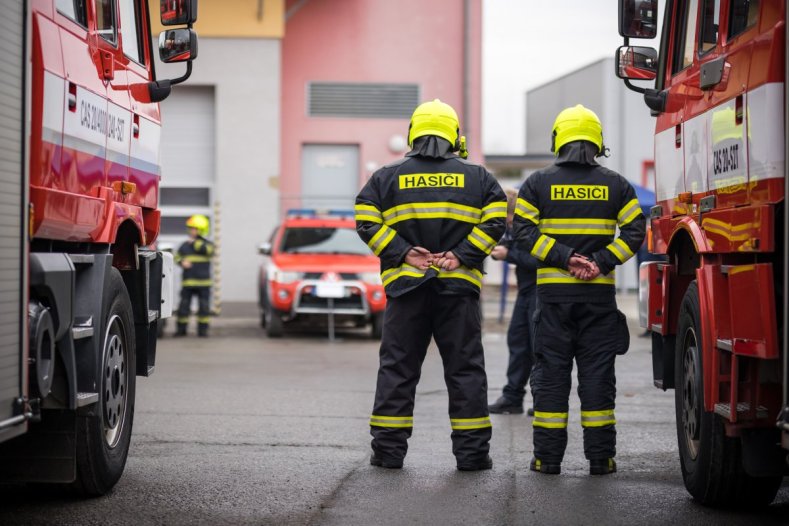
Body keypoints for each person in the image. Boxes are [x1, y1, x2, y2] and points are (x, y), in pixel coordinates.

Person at [355, 99, 507, 471]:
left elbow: (364, 218)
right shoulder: (480, 177)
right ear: (454, 135)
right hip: (458, 290)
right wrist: (462, 255)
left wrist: (404, 253)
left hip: (406, 290)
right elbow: (498, 218)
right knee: (466, 370)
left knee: (397, 370)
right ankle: (472, 456)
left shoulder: (385, 177)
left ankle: (388, 453)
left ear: (413, 133)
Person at [513, 104, 645, 476]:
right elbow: (635, 232)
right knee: (598, 380)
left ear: (559, 139)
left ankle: (547, 460)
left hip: (553, 304)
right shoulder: (616, 183)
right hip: (598, 302)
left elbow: (524, 233)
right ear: (597, 141)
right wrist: (601, 261)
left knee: (551, 379)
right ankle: (601, 460)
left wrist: (564, 258)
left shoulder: (537, 183)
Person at [488, 188, 538, 416]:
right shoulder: (515, 228)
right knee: (518, 342)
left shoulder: (533, 226)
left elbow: (537, 259)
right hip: (526, 292)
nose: (507, 225)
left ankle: (543, 400)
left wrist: (507, 255)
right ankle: (512, 398)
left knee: (539, 346)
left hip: (541, 291)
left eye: (507, 220)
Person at [175, 214, 215, 337]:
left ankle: (202, 331)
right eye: (191, 228)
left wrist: (195, 242)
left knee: (203, 308)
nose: (191, 231)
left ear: (201, 230)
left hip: (204, 283)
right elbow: (177, 256)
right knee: (183, 307)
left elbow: (208, 251)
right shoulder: (185, 245)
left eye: (194, 228)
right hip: (188, 282)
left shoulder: (207, 244)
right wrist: (182, 262)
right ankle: (181, 330)